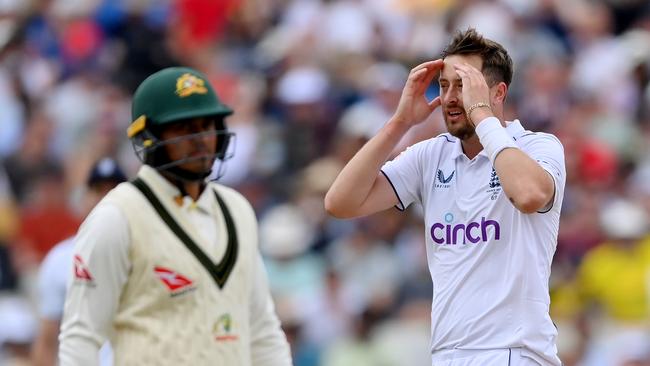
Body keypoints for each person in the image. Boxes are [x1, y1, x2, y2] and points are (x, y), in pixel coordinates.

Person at [325, 28, 566, 365]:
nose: (452, 97)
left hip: (514, 351)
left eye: (464, 85)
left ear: (498, 92)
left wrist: (481, 113)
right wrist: (399, 123)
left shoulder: (537, 146)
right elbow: (340, 203)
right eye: (445, 85)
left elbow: (528, 195)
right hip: (446, 352)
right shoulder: (431, 155)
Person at [59, 67, 292, 365]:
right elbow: (81, 336)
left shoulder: (237, 210)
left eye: (206, 125)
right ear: (149, 137)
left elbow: (262, 331)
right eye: (182, 128)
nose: (200, 139)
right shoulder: (117, 216)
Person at [31, 157, 126, 366]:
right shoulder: (59, 259)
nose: (105, 198)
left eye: (113, 190)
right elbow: (46, 341)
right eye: (98, 190)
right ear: (84, 198)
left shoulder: (145, 251)